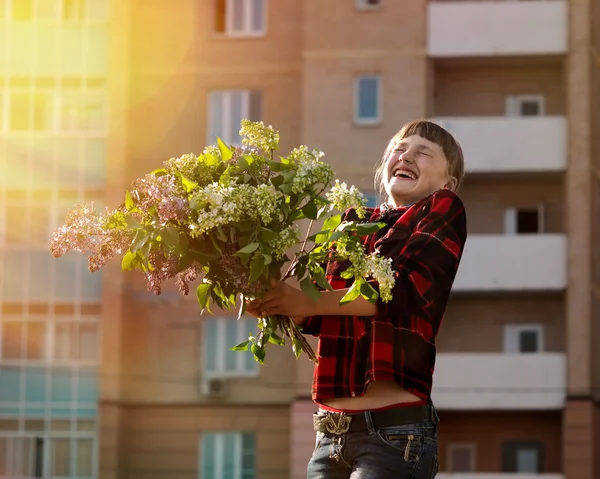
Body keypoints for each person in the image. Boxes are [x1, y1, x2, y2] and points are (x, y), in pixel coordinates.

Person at [247, 119, 467, 478]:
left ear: (448, 182)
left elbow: (402, 291)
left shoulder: (443, 208)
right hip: (329, 436)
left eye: (423, 152)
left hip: (395, 436)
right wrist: (275, 297)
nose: (407, 155)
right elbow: (325, 315)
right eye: (399, 148)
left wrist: (302, 302)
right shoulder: (352, 224)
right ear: (384, 168)